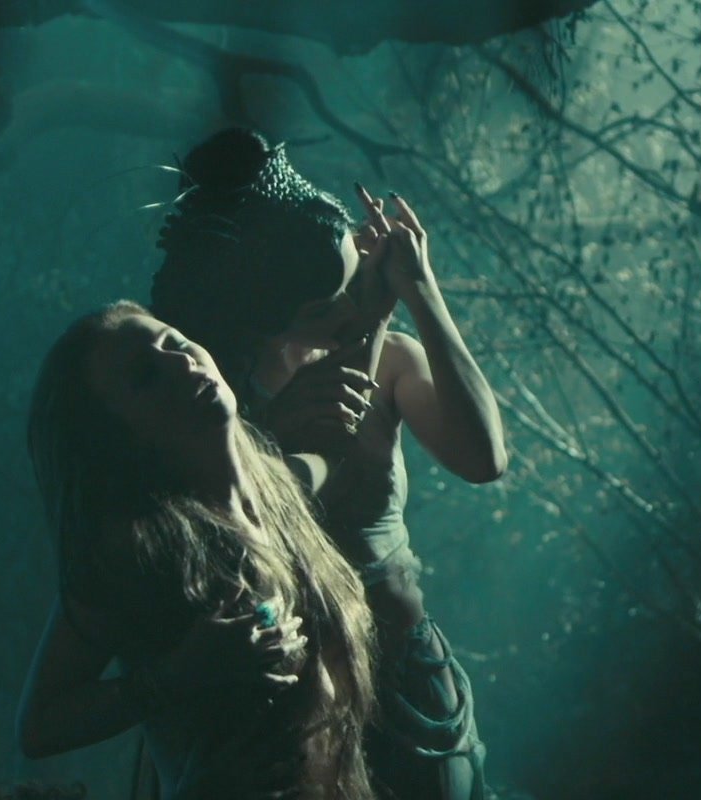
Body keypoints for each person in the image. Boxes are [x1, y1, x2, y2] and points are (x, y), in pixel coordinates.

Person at [150, 129, 508, 800]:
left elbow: (484, 457)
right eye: (323, 306)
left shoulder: (390, 356)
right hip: (285, 698)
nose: (351, 308)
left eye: (350, 279)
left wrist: (421, 291)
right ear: (260, 316)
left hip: (405, 675)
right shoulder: (210, 400)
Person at [17, 301, 379, 800]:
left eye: (175, 342)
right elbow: (39, 726)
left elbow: (333, 449)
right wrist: (180, 673)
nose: (180, 362)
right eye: (146, 376)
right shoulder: (137, 550)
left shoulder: (279, 489)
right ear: (118, 436)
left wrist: (379, 309)